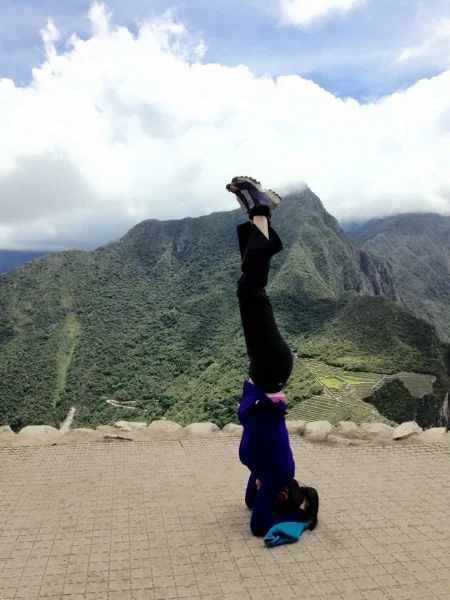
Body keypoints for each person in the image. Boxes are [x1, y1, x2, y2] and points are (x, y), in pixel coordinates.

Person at [226, 175, 319, 538]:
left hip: (264, 371)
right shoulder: (280, 469)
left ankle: (262, 215)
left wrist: (277, 501)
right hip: (271, 367)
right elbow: (258, 526)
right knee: (251, 289)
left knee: (248, 289)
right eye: (294, 496)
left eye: (286, 499)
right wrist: (302, 518)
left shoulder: (261, 470)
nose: (282, 494)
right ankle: (259, 210)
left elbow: (253, 508)